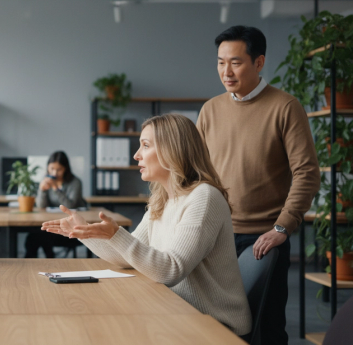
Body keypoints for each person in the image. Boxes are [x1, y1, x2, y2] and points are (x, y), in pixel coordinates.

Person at [43, 114, 252, 337]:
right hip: (177, 313)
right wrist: (84, 232)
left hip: (215, 326)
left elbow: (171, 270)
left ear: (173, 150)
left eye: (145, 145)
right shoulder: (161, 200)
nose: (136, 155)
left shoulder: (204, 198)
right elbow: (128, 258)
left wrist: (116, 235)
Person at [196, 25, 320, 344]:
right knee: (217, 325)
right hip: (217, 234)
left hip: (264, 238)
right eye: (221, 62)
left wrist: (282, 228)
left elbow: (307, 172)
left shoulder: (285, 107)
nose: (226, 71)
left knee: (266, 328)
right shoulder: (210, 110)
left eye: (235, 62)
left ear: (259, 62)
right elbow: (196, 171)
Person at [24, 151, 85, 258]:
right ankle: (31, 265)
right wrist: (42, 190)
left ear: (66, 168)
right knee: (33, 237)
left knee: (41, 236)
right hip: (53, 224)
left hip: (70, 227)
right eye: (52, 168)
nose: (55, 173)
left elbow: (70, 206)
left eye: (59, 169)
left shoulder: (75, 182)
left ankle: (50, 258)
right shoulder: (46, 180)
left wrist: (56, 188)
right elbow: (41, 206)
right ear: (47, 167)